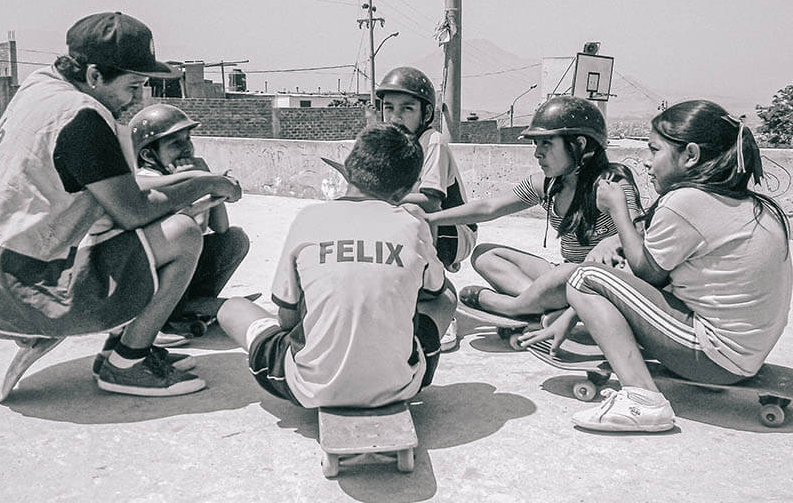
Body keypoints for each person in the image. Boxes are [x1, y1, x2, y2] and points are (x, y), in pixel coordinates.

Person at [0, 11, 242, 399]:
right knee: (182, 233)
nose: (136, 99)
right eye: (133, 86)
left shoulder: (41, 88)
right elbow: (133, 209)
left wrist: (201, 180)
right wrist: (202, 184)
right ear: (94, 76)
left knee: (145, 226)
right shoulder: (83, 118)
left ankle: (123, 345)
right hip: (30, 284)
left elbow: (118, 187)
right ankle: (127, 363)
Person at [525, 100, 792, 433]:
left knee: (584, 276)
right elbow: (650, 276)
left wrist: (618, 208)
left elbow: (646, 272)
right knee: (602, 274)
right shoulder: (753, 204)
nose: (647, 163)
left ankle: (643, 400)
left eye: (654, 150)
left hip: (714, 359)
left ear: (690, 155)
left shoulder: (685, 202)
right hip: (749, 354)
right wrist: (571, 315)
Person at [218, 123, 457, 409]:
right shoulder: (412, 224)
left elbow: (287, 319)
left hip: (308, 388)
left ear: (348, 167)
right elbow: (435, 293)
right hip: (400, 386)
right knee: (446, 295)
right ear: (405, 190)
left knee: (232, 307)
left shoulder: (309, 218)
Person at [425, 95, 641, 319]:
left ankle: (518, 306)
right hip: (564, 276)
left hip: (600, 282)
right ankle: (544, 306)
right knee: (484, 255)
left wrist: (612, 241)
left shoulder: (610, 183)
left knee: (568, 272)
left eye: (546, 143)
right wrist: (431, 219)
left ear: (579, 144)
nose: (538, 153)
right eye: (536, 143)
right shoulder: (546, 184)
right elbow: (489, 207)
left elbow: (639, 231)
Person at [126, 103, 251, 345]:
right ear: (148, 155)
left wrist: (212, 186)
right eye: (175, 143)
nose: (186, 148)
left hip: (170, 272)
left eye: (188, 140)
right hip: (141, 283)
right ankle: (166, 315)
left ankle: (186, 305)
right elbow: (194, 228)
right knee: (189, 231)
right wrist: (203, 183)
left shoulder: (179, 176)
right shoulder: (149, 181)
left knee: (235, 240)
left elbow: (221, 228)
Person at [375, 66, 477, 351]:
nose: (395, 116)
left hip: (453, 230)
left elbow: (431, 201)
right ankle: (406, 294)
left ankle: (439, 297)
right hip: (421, 223)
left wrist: (377, 197)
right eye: (389, 107)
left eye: (407, 108)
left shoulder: (433, 141)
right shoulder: (388, 143)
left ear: (426, 114)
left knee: (412, 215)